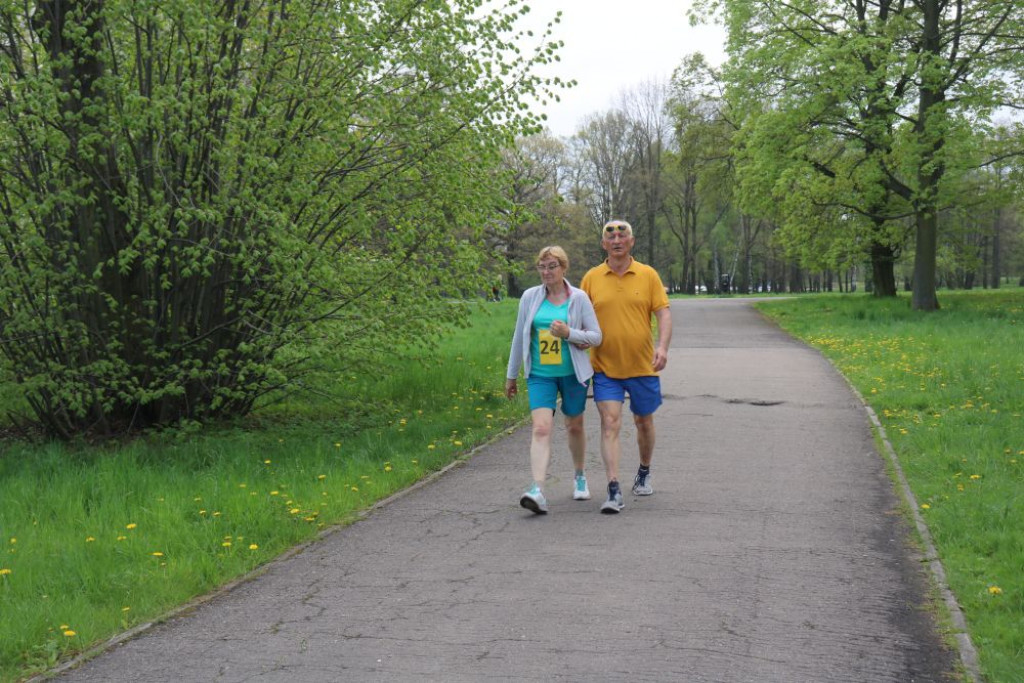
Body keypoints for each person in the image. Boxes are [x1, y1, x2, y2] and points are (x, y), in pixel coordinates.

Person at [580, 220, 672, 514]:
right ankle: (613, 488)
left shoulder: (648, 275)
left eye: (623, 236)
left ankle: (643, 470)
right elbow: (577, 316)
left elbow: (663, 314)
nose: (617, 240)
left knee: (643, 421)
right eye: (611, 237)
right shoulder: (592, 278)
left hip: (643, 365)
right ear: (604, 244)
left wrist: (663, 348)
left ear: (631, 242)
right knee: (610, 423)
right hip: (605, 367)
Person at [505, 246, 603, 514]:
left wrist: (569, 332)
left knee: (574, 425)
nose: (546, 272)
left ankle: (580, 475)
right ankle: (537, 490)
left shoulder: (579, 298)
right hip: (540, 376)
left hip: (573, 374)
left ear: (563, 268)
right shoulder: (530, 297)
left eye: (552, 266)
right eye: (542, 267)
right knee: (541, 428)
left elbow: (596, 336)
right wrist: (511, 375)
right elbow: (519, 337)